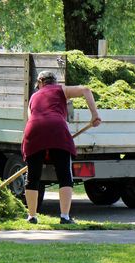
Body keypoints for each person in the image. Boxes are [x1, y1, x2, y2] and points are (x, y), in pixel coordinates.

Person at [21, 71, 101, 224]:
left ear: (40, 83)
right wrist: (94, 115)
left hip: (34, 129)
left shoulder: (33, 96)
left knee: (33, 177)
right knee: (64, 174)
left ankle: (32, 216)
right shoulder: (61, 90)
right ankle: (64, 216)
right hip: (57, 128)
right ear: (55, 82)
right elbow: (86, 90)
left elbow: (31, 118)